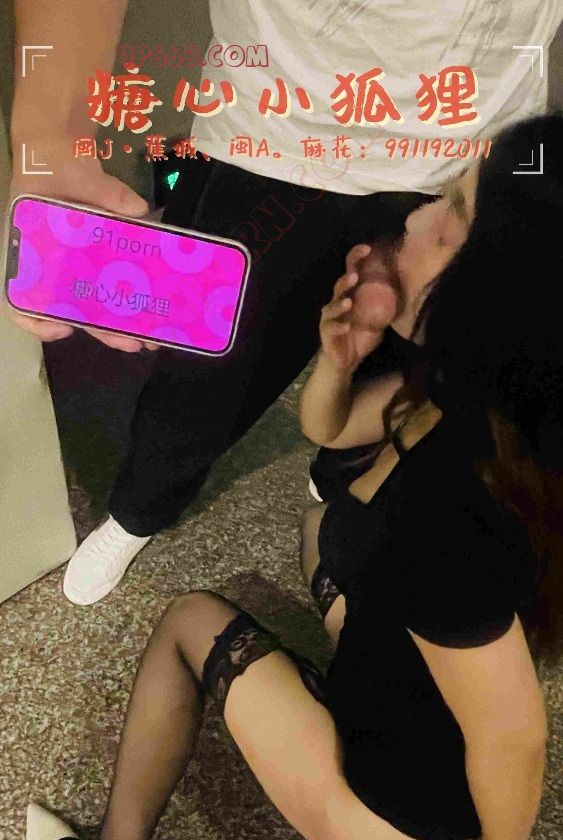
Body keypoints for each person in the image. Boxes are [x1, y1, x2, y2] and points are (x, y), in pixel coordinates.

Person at [26, 113, 561, 840]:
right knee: (320, 527)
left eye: (453, 215)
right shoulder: (492, 398)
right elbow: (331, 431)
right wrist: (339, 357)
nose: (417, 215)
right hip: (407, 687)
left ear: (504, 286)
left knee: (186, 620)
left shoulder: (450, 511)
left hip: (404, 827)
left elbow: (513, 737)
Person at [9, 0, 563, 605]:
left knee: (407, 371)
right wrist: (52, 129)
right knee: (205, 374)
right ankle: (138, 511)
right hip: (281, 128)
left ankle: (337, 474)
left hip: (473, 145)